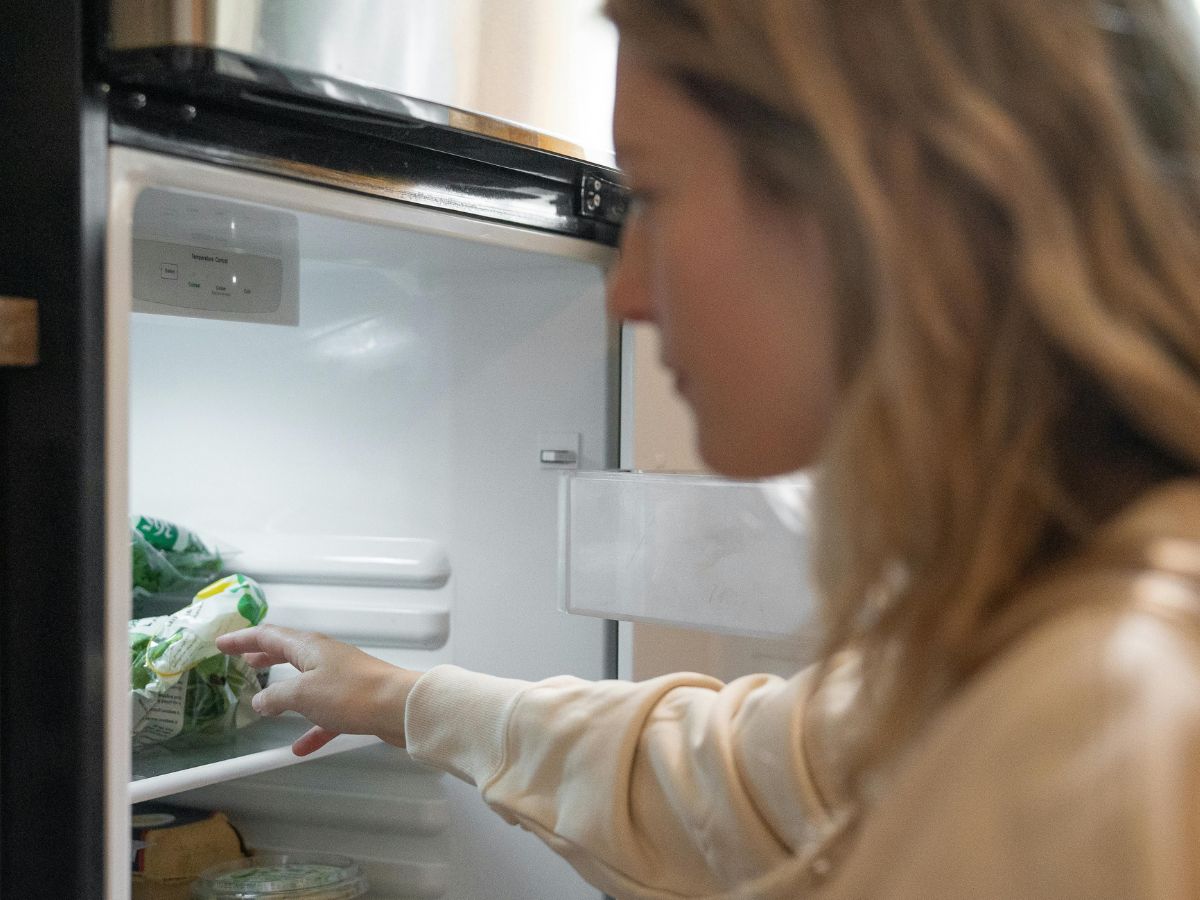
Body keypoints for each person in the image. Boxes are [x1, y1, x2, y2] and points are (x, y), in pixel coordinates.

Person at [218, 1, 1200, 896]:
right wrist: (397, 696)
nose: (623, 295)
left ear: (870, 203)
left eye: (654, 194)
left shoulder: (1106, 716)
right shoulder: (1031, 615)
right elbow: (750, 780)